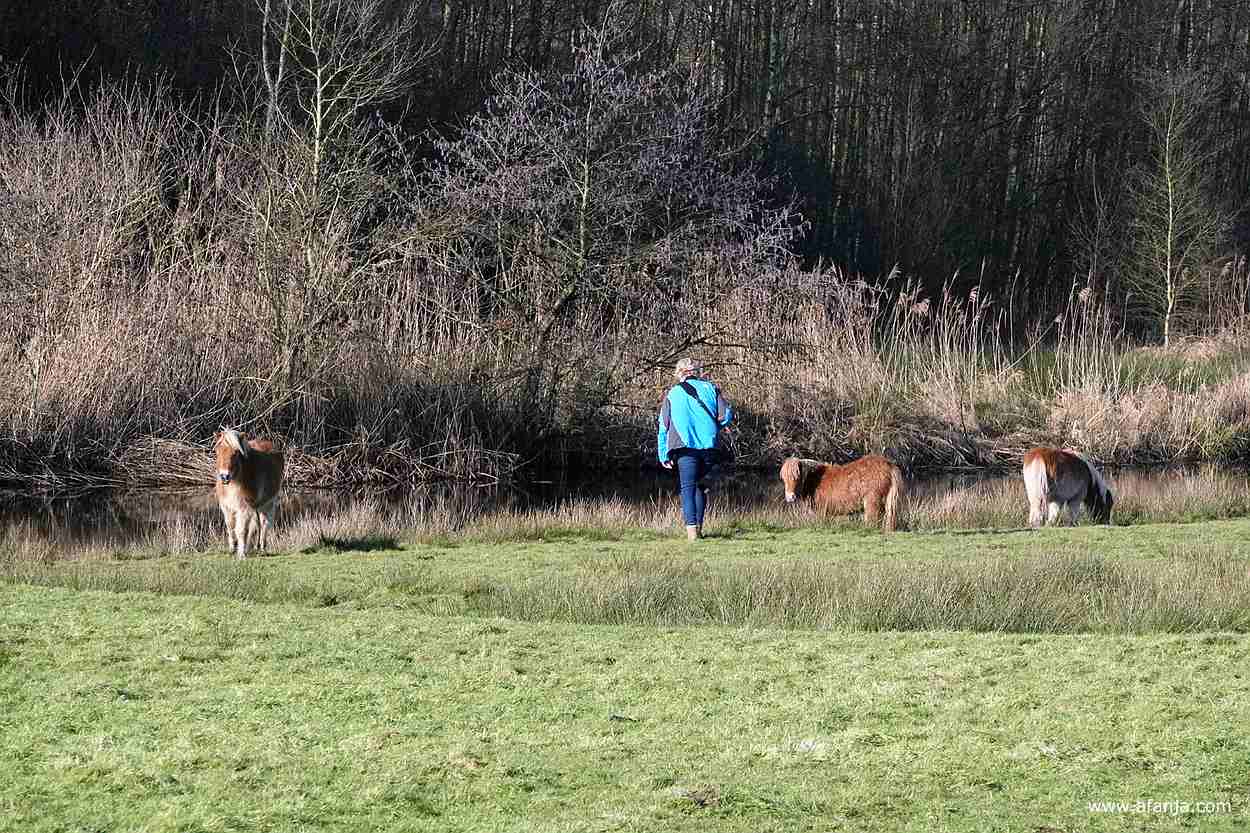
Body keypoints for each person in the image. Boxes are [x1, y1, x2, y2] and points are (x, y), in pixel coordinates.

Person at [657, 357, 733, 541]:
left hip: (684, 447)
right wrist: (712, 425)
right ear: (696, 372)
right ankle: (698, 529)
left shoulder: (672, 394)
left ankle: (692, 534)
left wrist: (662, 453)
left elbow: (663, 426)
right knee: (701, 486)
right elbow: (726, 415)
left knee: (688, 487)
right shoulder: (711, 389)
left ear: (679, 373)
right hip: (708, 446)